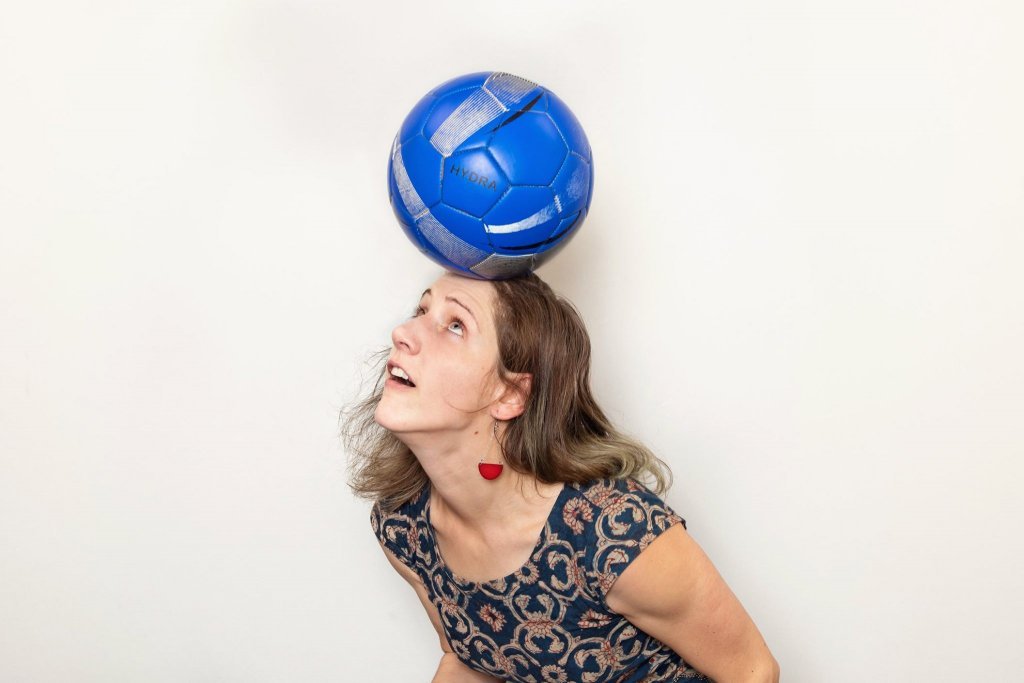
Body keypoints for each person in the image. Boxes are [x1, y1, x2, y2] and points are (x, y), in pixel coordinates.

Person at [344, 271, 779, 682]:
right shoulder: (403, 526)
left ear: (510, 394)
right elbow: (469, 660)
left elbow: (754, 671)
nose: (402, 332)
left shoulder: (615, 534)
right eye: (422, 311)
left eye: (456, 325)